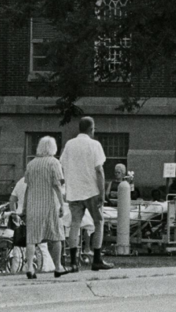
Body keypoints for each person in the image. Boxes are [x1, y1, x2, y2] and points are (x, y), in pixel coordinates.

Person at [59, 116, 113, 272]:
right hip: (91, 191)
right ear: (91, 128)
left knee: (75, 224)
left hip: (74, 191)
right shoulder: (94, 144)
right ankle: (97, 259)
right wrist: (102, 193)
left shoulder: (69, 144)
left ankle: (74, 262)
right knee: (98, 222)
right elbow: (99, 170)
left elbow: (62, 165)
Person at [23, 135, 68, 280]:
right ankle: (58, 266)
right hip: (49, 205)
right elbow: (57, 185)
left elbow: (28, 187)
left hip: (33, 205)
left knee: (31, 238)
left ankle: (29, 267)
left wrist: (24, 206)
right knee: (56, 236)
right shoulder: (54, 163)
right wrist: (62, 203)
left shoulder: (31, 164)